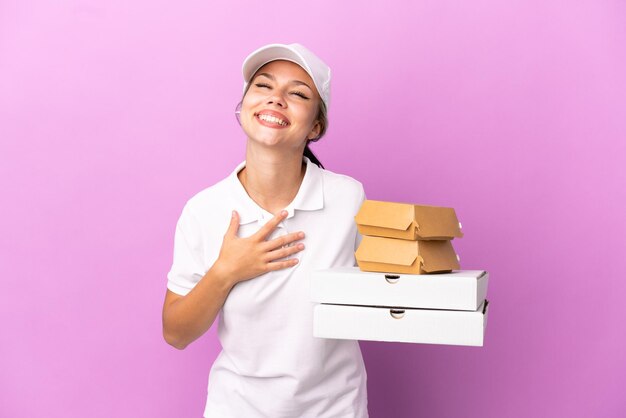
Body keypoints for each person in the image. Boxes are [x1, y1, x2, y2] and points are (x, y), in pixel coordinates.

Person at [162, 43, 369, 418]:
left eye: (298, 93)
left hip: (334, 410)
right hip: (238, 408)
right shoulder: (204, 210)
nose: (276, 100)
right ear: (243, 105)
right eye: (264, 86)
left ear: (316, 126)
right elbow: (176, 333)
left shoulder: (347, 199)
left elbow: (382, 290)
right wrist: (226, 271)